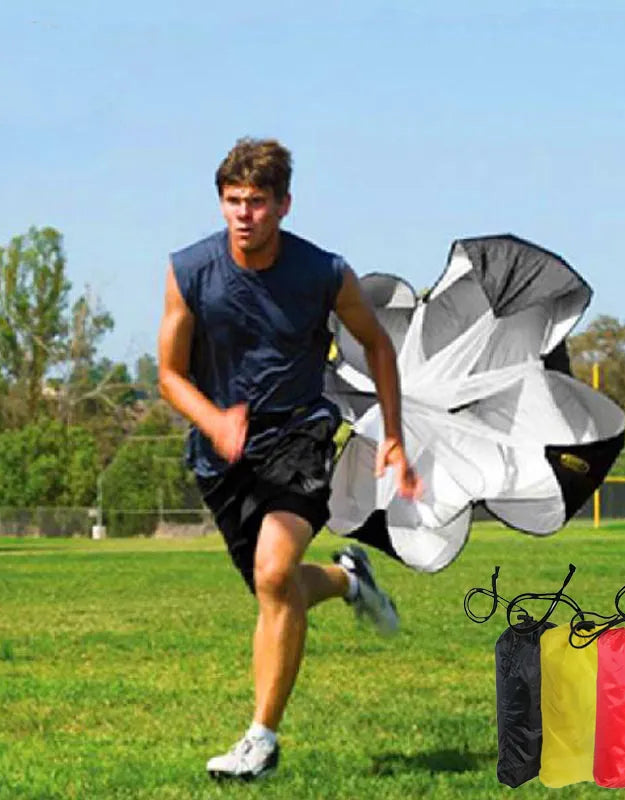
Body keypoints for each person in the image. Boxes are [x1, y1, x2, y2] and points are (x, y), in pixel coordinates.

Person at [157, 137, 421, 781]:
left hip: (299, 434)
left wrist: (393, 432)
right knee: (276, 588)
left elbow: (378, 347)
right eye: (232, 201)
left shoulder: (323, 273)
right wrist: (215, 420)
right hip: (223, 453)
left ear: (284, 204)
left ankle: (260, 741)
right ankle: (348, 580)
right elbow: (168, 373)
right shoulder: (189, 270)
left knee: (274, 575)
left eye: (257, 202)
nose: (243, 214)